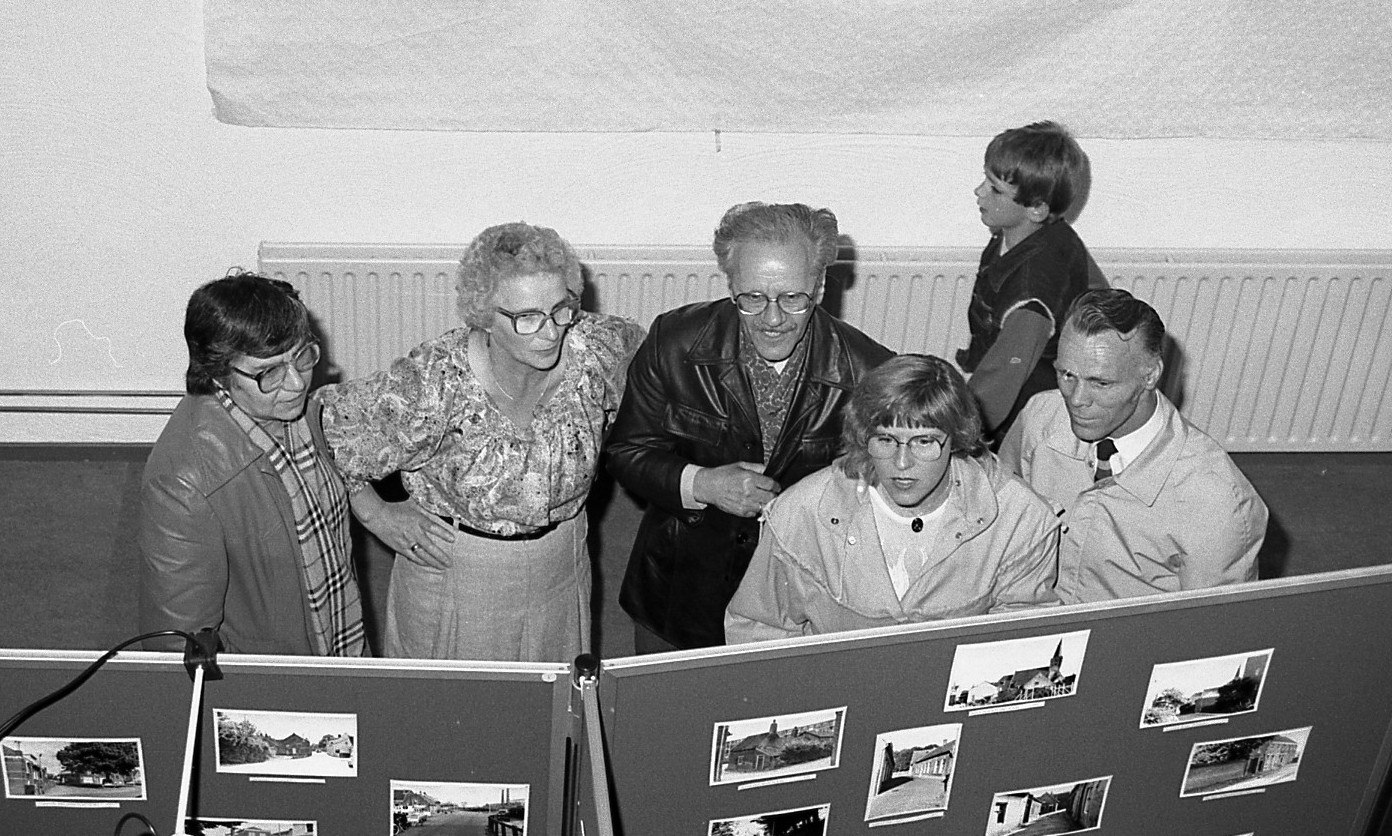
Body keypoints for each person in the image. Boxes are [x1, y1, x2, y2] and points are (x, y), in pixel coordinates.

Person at [318, 222, 645, 662]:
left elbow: (668, 367)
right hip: (459, 573)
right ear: (485, 316)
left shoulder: (597, 351)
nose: (551, 332)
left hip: (561, 566)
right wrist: (376, 514)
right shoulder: (433, 381)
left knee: (550, 699)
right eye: (527, 317)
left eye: (560, 309)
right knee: (454, 700)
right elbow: (325, 423)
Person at [608, 201, 894, 652]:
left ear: (820, 287)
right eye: (753, 298)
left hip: (800, 602)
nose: (772, 319)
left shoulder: (870, 373)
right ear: (731, 285)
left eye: (792, 298)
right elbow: (627, 451)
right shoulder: (674, 342)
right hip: (680, 591)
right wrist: (703, 484)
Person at [725, 355, 1060, 642]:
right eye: (885, 440)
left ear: (957, 440)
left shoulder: (1019, 518)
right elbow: (756, 630)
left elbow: (1022, 645)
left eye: (924, 442)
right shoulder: (802, 511)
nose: (901, 463)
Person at [140, 271, 365, 656]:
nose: (297, 383)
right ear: (218, 371)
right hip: (277, 676)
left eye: (302, 356)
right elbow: (179, 645)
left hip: (338, 635)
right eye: (269, 372)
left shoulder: (300, 412)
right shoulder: (182, 486)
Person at [1000, 289, 1268, 604]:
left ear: (1150, 375)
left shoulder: (1217, 500)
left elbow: (1210, 625)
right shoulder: (1040, 416)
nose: (1076, 399)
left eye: (1101, 383)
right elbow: (1000, 521)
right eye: (1067, 374)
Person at [957, 121, 1101, 444]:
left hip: (1024, 418)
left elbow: (1000, 382)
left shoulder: (1031, 297)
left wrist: (955, 433)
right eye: (985, 179)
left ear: (1036, 209)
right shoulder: (1034, 235)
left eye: (995, 189)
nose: (979, 191)